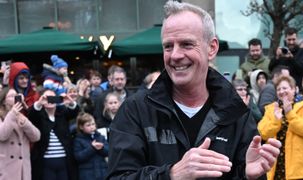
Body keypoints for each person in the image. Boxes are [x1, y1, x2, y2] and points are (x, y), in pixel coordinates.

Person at [106, 1, 281, 179]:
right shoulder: (135, 111)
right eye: (168, 46)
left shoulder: (236, 114)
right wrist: (172, 175)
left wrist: (248, 176)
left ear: (211, 48)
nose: (175, 55)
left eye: (186, 44)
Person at [258, 75, 303, 179]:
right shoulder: (271, 108)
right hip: (276, 165)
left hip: (301, 167)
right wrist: (276, 120)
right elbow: (263, 133)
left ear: (294, 89)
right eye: (278, 89)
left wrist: (289, 113)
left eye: (285, 88)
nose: (281, 91)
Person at [28, 89, 79, 180]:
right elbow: (31, 114)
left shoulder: (62, 112)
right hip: (45, 162)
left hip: (64, 160)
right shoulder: (39, 114)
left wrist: (70, 101)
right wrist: (39, 103)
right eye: (47, 98)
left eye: (53, 98)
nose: (50, 100)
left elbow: (74, 111)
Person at [0, 87, 40, 180]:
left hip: (23, 170)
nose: (15, 98)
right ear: (4, 101)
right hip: (6, 170)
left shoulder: (21, 115)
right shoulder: (3, 117)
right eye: (11, 96)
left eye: (16, 96)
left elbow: (36, 137)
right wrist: (12, 114)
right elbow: (2, 135)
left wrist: (25, 124)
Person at [73, 112, 108, 180]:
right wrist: (92, 148)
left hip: (103, 172)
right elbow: (78, 157)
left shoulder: (100, 137)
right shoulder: (78, 140)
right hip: (87, 174)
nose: (92, 127)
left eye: (93, 124)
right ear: (81, 127)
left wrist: (101, 148)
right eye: (88, 125)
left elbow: (108, 151)